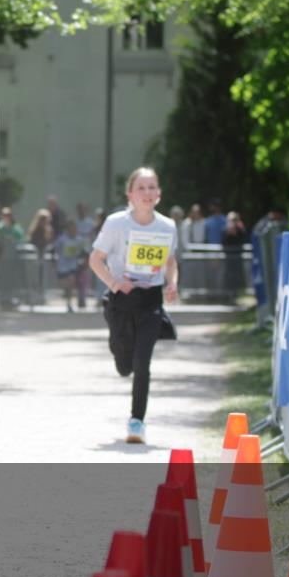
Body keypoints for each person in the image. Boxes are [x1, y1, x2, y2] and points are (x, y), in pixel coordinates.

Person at [89, 167, 178, 445]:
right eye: (142, 187)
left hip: (151, 299)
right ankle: (121, 355)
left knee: (143, 363)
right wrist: (116, 283)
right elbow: (95, 260)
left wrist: (172, 283)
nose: (147, 193)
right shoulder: (117, 223)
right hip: (121, 300)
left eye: (152, 187)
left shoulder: (167, 226)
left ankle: (136, 422)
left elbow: (171, 261)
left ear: (159, 194)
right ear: (130, 194)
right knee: (125, 363)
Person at [53, 219, 90, 311]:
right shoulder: (62, 239)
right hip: (62, 266)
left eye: (73, 228)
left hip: (73, 266)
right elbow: (55, 250)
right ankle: (67, 298)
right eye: (70, 228)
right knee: (66, 285)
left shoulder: (79, 239)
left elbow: (85, 250)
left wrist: (85, 259)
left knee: (71, 282)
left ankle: (70, 303)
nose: (72, 230)